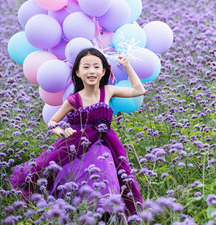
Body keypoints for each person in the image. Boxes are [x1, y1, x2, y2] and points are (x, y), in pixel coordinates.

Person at [10, 47, 145, 218]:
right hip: (77, 143)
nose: (92, 71)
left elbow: (138, 90)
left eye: (97, 67)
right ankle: (79, 212)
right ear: (78, 72)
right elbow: (52, 122)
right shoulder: (74, 99)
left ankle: (107, 213)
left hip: (105, 143)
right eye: (86, 67)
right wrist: (61, 131)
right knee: (71, 175)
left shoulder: (108, 91)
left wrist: (126, 66)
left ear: (104, 71)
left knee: (109, 172)